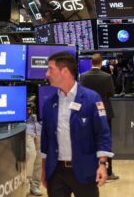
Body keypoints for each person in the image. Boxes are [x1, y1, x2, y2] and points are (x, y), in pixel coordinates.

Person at [41, 52, 113, 197]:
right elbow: (45, 140)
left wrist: (102, 164)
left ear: (65, 71)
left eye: (50, 69)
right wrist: (44, 171)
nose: (47, 73)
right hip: (56, 173)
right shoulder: (49, 102)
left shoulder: (92, 98)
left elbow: (102, 133)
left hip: (85, 170)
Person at [80, 53, 119, 181]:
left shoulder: (83, 76)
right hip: (104, 112)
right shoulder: (107, 76)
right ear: (101, 63)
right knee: (105, 141)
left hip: (88, 113)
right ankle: (108, 172)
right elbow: (112, 93)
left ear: (91, 62)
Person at [26, 100, 43, 196]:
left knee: (39, 158)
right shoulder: (21, 89)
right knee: (31, 155)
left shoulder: (43, 88)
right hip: (27, 127)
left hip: (40, 127)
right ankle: (27, 183)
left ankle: (35, 185)